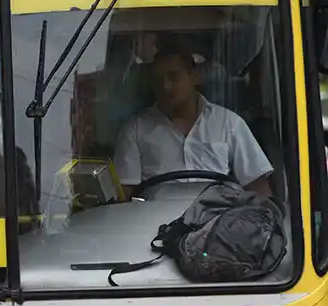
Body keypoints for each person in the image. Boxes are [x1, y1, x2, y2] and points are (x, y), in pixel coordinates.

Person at [113, 43, 273, 198]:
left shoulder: (229, 123)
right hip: (156, 216)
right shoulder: (135, 129)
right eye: (158, 80)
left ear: (194, 77)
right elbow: (125, 193)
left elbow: (257, 187)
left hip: (218, 214)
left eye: (174, 77)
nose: (166, 86)